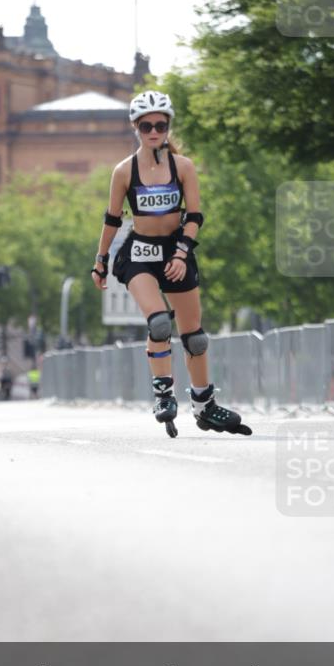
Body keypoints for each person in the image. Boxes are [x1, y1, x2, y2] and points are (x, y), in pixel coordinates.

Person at [90, 90, 251, 437]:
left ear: (167, 126)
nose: (153, 131)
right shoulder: (123, 171)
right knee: (160, 323)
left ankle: (205, 406)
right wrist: (100, 260)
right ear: (135, 127)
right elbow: (112, 219)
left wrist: (180, 253)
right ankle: (163, 394)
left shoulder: (183, 167)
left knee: (194, 338)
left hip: (175, 251)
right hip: (140, 253)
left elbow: (194, 216)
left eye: (160, 125)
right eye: (146, 125)